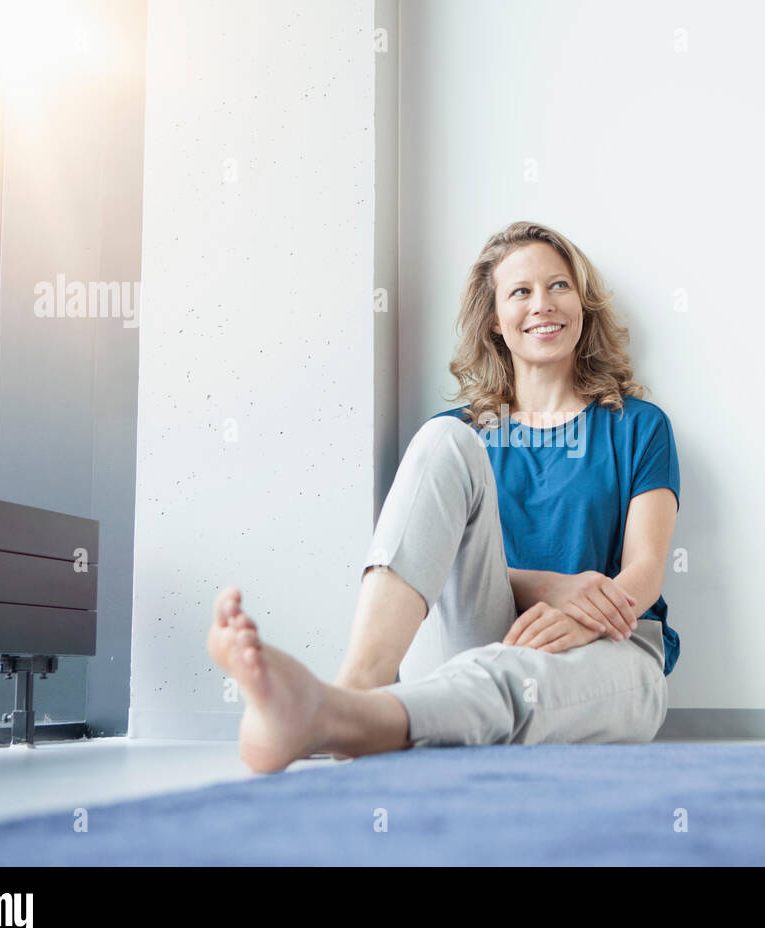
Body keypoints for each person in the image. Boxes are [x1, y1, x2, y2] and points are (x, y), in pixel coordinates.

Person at [207, 221, 681, 772]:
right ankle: (359, 687)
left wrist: (581, 620)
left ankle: (333, 718)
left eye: (559, 286)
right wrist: (549, 586)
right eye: (520, 292)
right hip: (478, 635)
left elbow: (645, 570)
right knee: (441, 439)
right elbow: (438, 566)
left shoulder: (638, 425)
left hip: (612, 646)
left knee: (508, 684)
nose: (543, 305)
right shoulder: (462, 436)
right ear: (496, 321)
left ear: (583, 303)